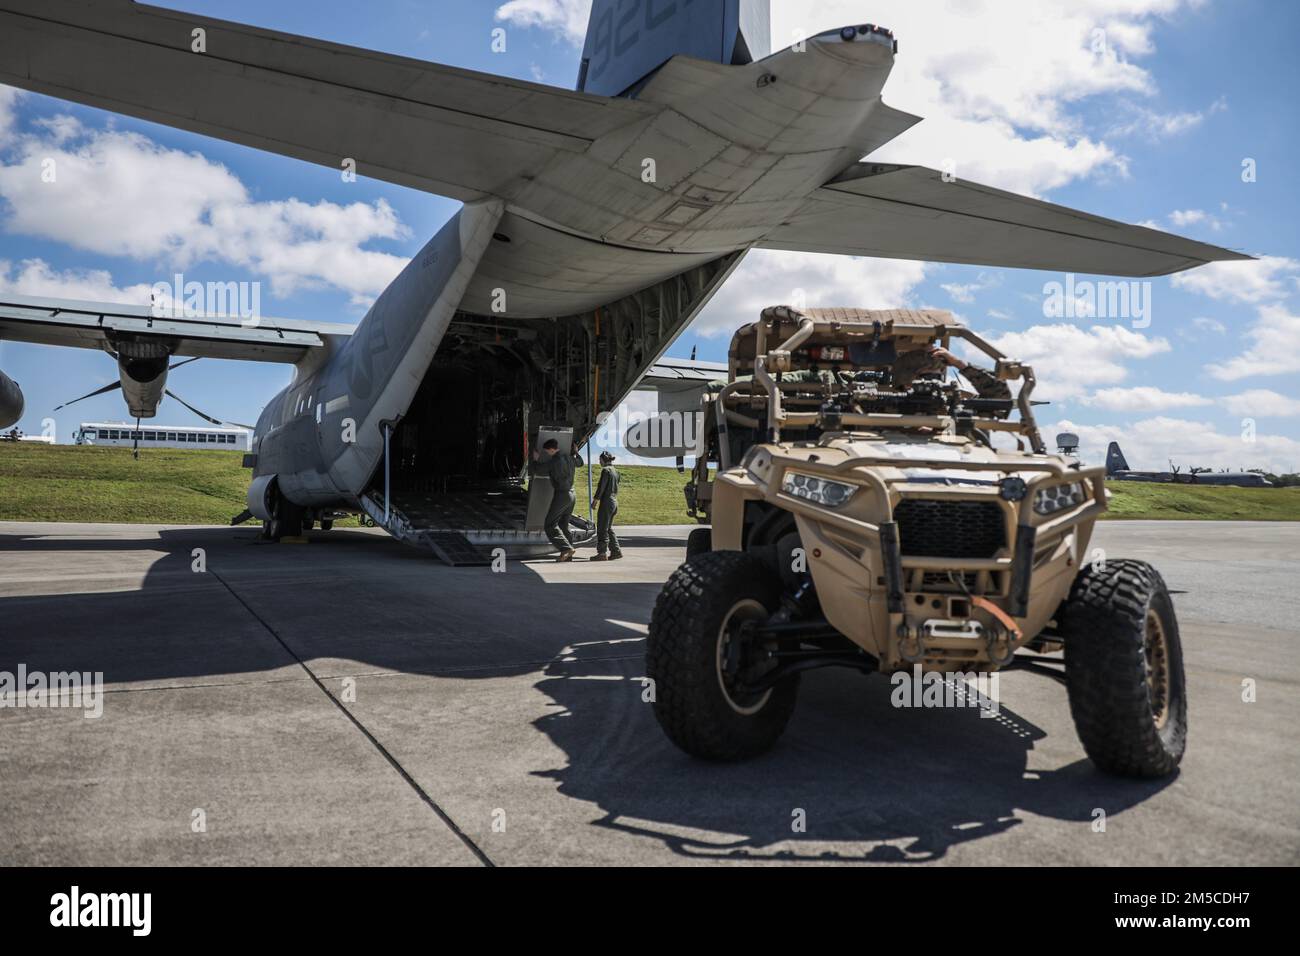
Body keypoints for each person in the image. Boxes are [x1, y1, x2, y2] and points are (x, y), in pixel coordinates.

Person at [540, 438, 582, 561]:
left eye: (547, 451)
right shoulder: (570, 458)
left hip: (562, 495)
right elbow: (580, 462)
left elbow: (538, 469)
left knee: (549, 524)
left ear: (552, 449)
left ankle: (566, 549)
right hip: (572, 494)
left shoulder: (554, 461)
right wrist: (576, 452)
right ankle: (568, 555)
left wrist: (537, 459)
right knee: (563, 524)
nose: (547, 453)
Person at [589, 450, 623, 562]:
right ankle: (616, 551)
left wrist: (595, 501)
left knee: (602, 528)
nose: (599, 462)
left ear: (603, 460)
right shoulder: (616, 471)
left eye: (600, 460)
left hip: (607, 502)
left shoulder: (606, 470)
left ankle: (602, 553)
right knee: (608, 528)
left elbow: (601, 487)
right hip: (614, 502)